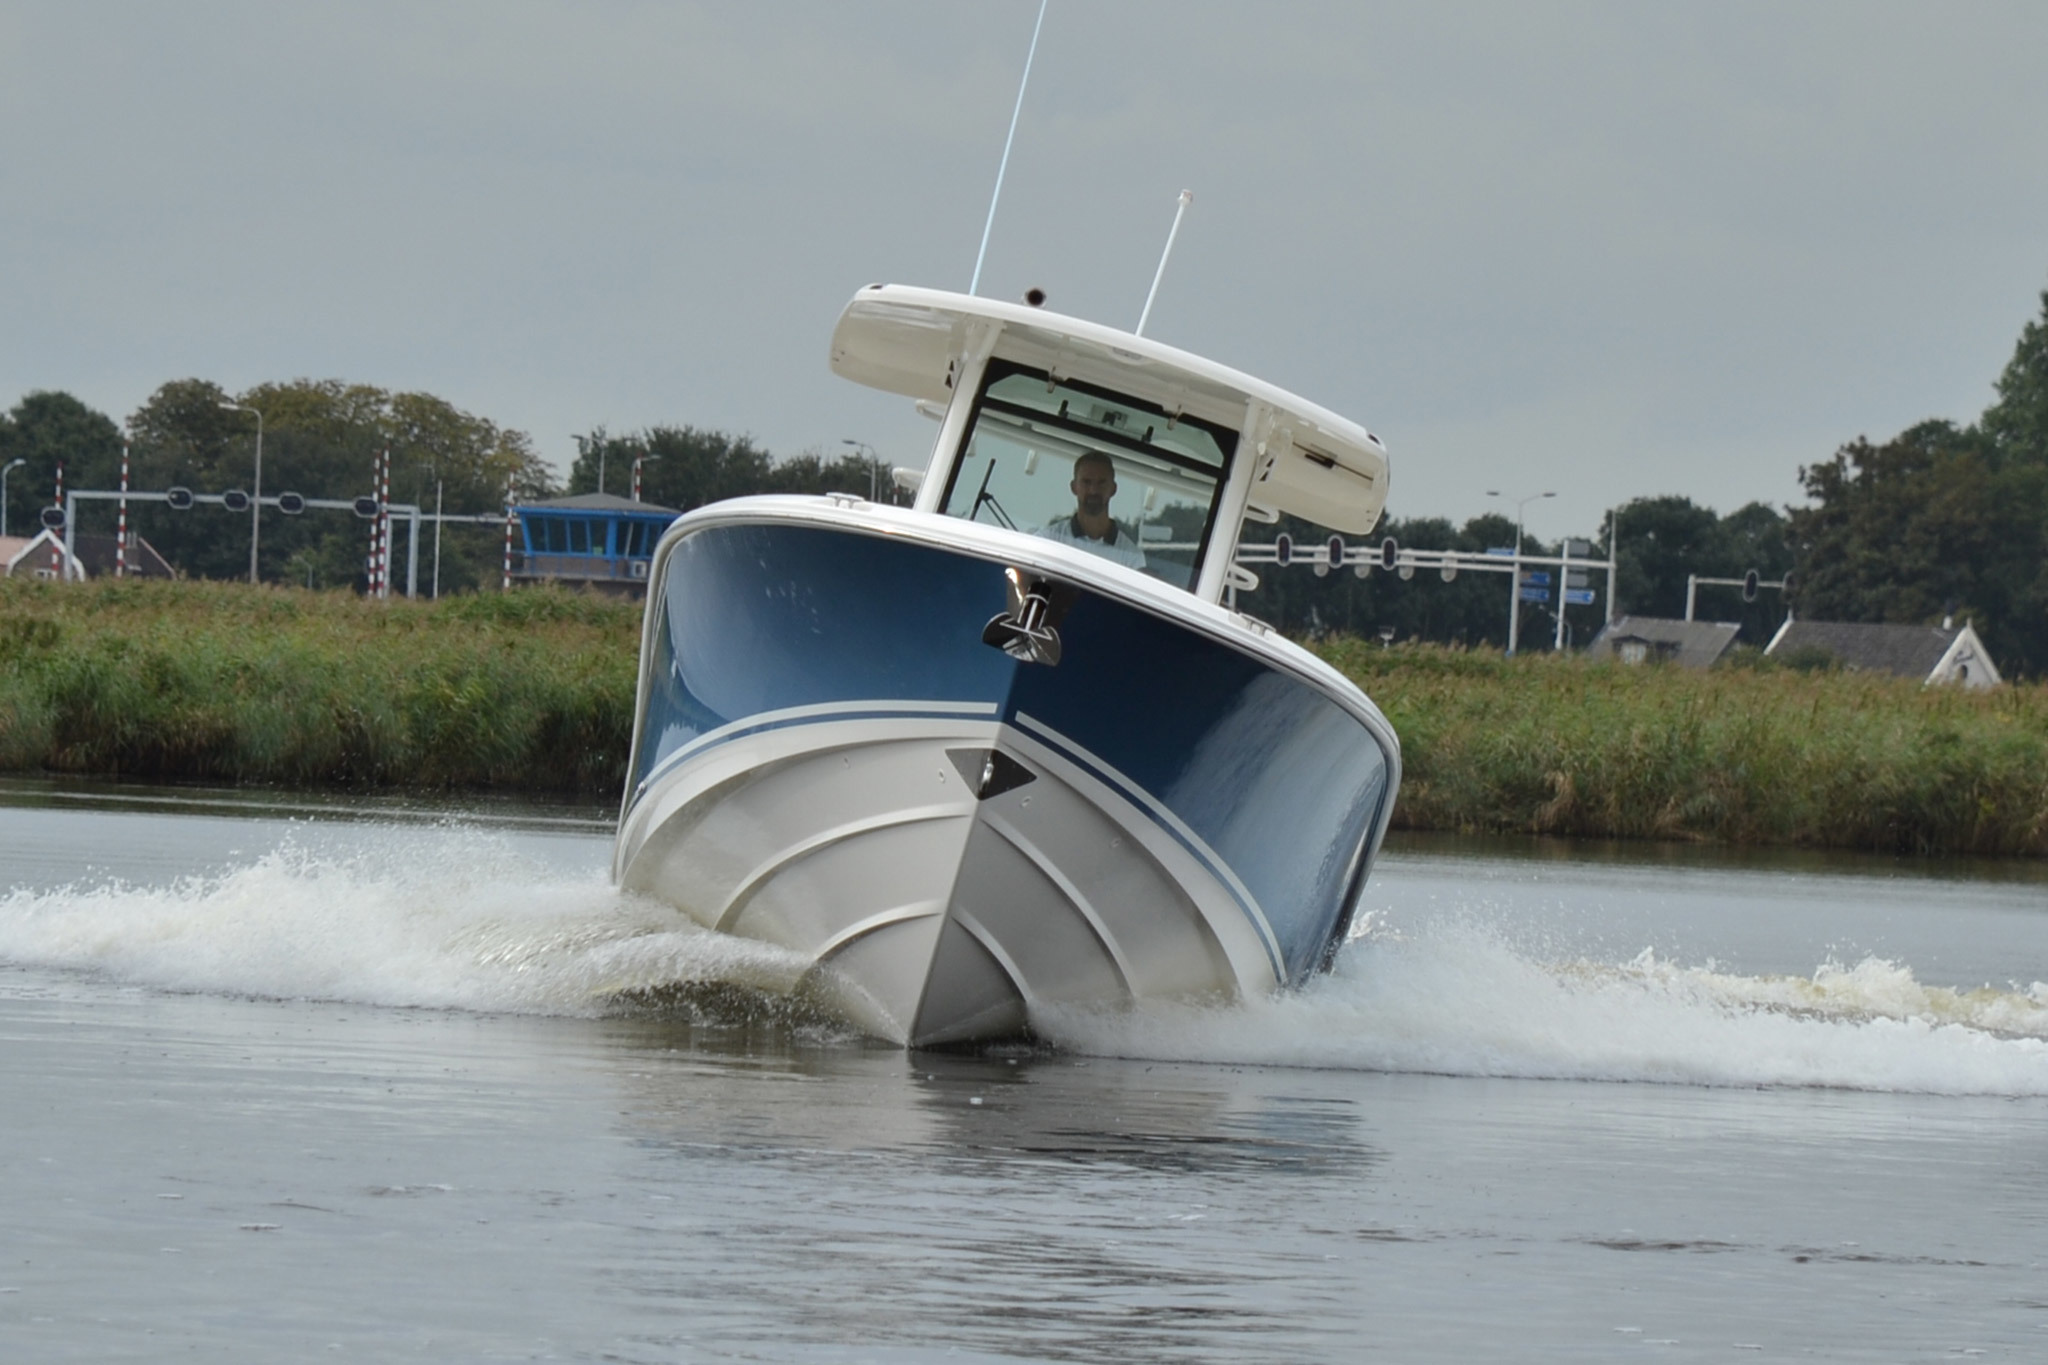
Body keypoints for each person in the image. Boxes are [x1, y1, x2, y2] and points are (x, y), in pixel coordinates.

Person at [1035, 450, 1146, 569]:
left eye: (1101, 483)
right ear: (1074, 487)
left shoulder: (1131, 558)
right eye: (1086, 482)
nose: (1093, 490)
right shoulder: (1048, 540)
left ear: (1113, 489)